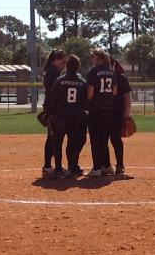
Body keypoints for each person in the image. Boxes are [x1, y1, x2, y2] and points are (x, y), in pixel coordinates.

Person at [44, 54, 88, 178]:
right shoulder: (82, 82)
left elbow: (53, 99)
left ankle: (58, 169)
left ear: (67, 66)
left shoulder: (59, 80)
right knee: (73, 143)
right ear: (78, 67)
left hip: (60, 117)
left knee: (57, 142)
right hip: (76, 118)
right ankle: (73, 167)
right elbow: (86, 102)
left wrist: (50, 114)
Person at [84, 49, 118, 178]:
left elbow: (90, 93)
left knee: (95, 140)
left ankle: (97, 168)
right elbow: (114, 91)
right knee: (104, 139)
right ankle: (107, 166)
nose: (91, 59)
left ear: (98, 58)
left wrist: (87, 104)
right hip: (108, 109)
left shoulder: (93, 72)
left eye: (92, 57)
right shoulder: (111, 72)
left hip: (96, 109)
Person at [39, 49, 67, 177]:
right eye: (62, 60)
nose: (64, 63)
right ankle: (49, 166)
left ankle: (49, 165)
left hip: (51, 107)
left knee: (52, 137)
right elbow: (54, 92)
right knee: (53, 137)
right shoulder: (53, 72)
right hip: (53, 108)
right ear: (55, 59)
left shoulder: (52, 70)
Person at [108, 57, 133, 178]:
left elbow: (127, 96)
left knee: (115, 139)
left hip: (116, 113)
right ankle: (105, 165)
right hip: (103, 113)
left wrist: (126, 115)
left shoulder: (121, 77)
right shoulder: (101, 76)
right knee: (102, 141)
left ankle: (119, 165)